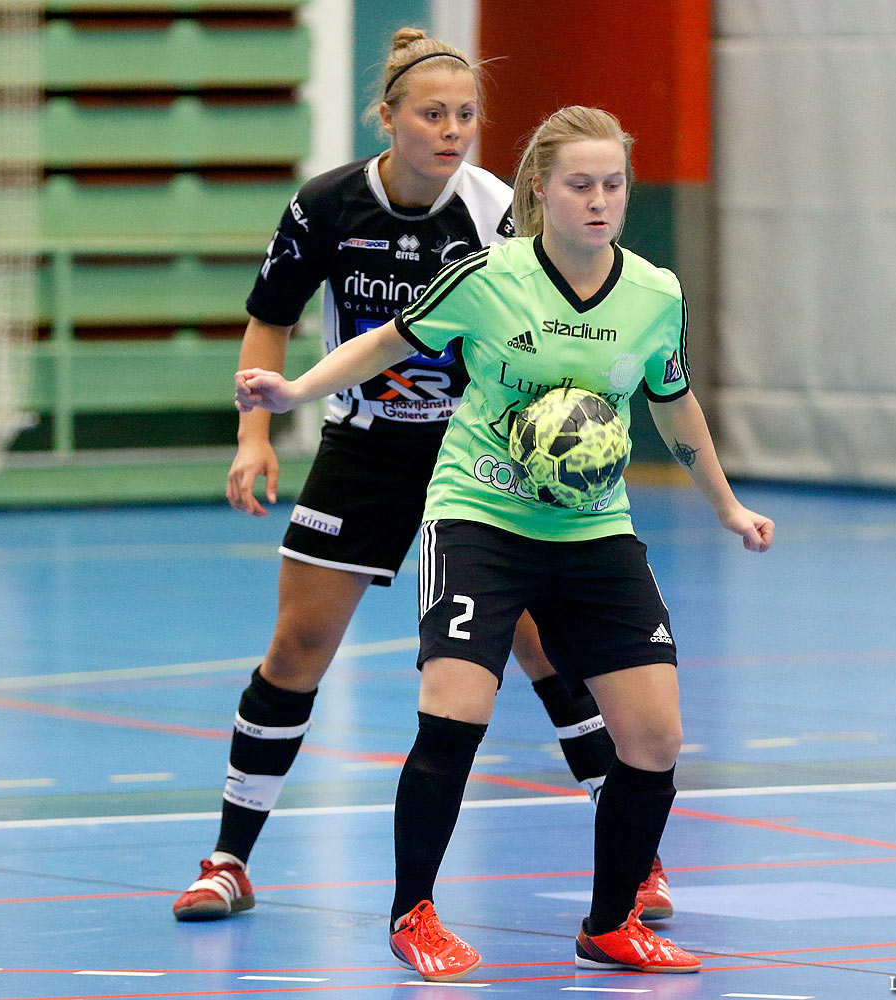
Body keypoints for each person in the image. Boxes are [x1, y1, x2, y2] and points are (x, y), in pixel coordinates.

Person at [234, 105, 774, 980]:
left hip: (594, 529)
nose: (600, 201)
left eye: (614, 184)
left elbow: (674, 403)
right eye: (580, 184)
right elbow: (383, 342)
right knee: (455, 714)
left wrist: (725, 505)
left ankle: (610, 924)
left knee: (655, 740)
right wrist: (295, 393)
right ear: (538, 192)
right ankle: (414, 913)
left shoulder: (655, 293)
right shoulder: (487, 278)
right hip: (480, 520)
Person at [173, 33, 672, 924]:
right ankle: (227, 858)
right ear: (389, 119)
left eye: (467, 116)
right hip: (365, 450)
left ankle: (638, 865)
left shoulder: (492, 211)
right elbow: (269, 322)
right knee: (296, 649)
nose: (453, 132)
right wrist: (256, 436)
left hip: (478, 458)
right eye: (432, 115)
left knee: (542, 649)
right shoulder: (327, 204)